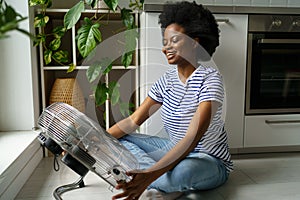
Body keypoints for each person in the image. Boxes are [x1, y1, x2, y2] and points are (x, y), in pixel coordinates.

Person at [107, 1, 233, 199]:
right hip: (172, 149)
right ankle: (158, 177)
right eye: (165, 42)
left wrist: (149, 175)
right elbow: (133, 121)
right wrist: (92, 140)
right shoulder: (166, 81)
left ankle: (151, 176)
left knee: (185, 172)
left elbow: (191, 139)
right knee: (118, 139)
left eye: (174, 40)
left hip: (207, 159)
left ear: (194, 42)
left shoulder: (210, 79)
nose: (166, 48)